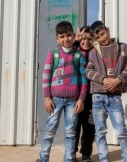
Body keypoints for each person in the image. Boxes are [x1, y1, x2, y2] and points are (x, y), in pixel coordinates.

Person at [39, 21, 88, 162]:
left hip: (74, 101)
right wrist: (47, 97)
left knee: (70, 132)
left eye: (68, 35)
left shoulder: (79, 56)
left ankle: (69, 159)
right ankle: (43, 158)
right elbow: (46, 76)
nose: (66, 39)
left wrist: (81, 99)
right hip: (55, 100)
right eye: (62, 36)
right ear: (57, 39)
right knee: (49, 130)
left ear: (73, 36)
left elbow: (84, 80)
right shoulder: (53, 54)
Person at [86, 21, 127, 162]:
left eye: (103, 34)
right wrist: (104, 80)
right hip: (97, 97)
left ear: (107, 30)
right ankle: (104, 159)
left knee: (121, 131)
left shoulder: (123, 48)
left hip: (115, 97)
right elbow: (88, 71)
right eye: (98, 37)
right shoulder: (93, 52)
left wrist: (117, 81)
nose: (102, 38)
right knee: (100, 132)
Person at [73, 26, 95, 162]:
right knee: (74, 126)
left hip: (92, 97)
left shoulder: (96, 53)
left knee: (89, 127)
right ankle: (72, 153)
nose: (86, 41)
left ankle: (86, 154)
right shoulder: (74, 52)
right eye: (83, 38)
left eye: (90, 39)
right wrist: (76, 40)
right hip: (76, 97)